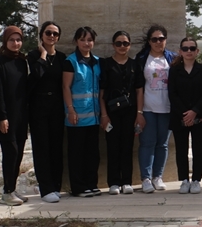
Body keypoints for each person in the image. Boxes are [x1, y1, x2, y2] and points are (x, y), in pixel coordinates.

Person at [168, 37, 202, 193]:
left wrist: (194, 112)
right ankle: (184, 180)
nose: (189, 51)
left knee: (198, 148)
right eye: (185, 49)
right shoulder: (174, 70)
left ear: (197, 51)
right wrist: (185, 114)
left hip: (199, 115)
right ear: (180, 51)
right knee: (181, 149)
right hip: (179, 116)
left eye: (192, 48)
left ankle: (196, 180)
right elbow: (172, 94)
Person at [27, 21, 66, 203]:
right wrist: (42, 56)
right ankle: (46, 188)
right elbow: (35, 76)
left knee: (56, 147)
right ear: (42, 35)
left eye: (55, 34)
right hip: (38, 106)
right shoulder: (33, 56)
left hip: (57, 106)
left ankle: (56, 186)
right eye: (48, 33)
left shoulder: (62, 58)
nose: (52, 36)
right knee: (42, 147)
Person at [135, 24, 176, 194]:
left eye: (161, 39)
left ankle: (157, 176)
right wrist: (139, 112)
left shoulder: (173, 58)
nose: (158, 42)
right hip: (148, 108)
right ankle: (146, 178)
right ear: (149, 41)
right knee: (147, 143)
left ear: (166, 40)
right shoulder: (142, 59)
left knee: (163, 144)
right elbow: (138, 87)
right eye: (154, 39)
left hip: (167, 108)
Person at [0, 26, 31, 205]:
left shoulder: (22, 61)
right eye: (11, 40)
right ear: (5, 42)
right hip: (7, 116)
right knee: (11, 152)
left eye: (18, 40)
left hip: (21, 115)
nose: (15, 43)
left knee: (19, 153)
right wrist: (2, 116)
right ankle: (7, 192)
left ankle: (12, 189)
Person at [63, 26, 101, 197]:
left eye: (90, 40)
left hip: (94, 117)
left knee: (93, 154)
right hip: (77, 117)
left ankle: (91, 184)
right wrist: (70, 110)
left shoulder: (97, 62)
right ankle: (78, 187)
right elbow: (66, 87)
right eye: (83, 39)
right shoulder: (71, 62)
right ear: (76, 41)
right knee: (77, 154)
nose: (87, 43)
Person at [101, 30, 138, 195]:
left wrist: (140, 113)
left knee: (127, 146)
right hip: (111, 112)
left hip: (130, 111)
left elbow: (139, 90)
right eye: (118, 43)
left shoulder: (134, 65)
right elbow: (101, 93)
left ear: (129, 45)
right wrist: (104, 115)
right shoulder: (106, 65)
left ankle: (127, 181)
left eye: (125, 43)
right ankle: (114, 182)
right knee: (112, 146)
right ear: (113, 45)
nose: (122, 46)